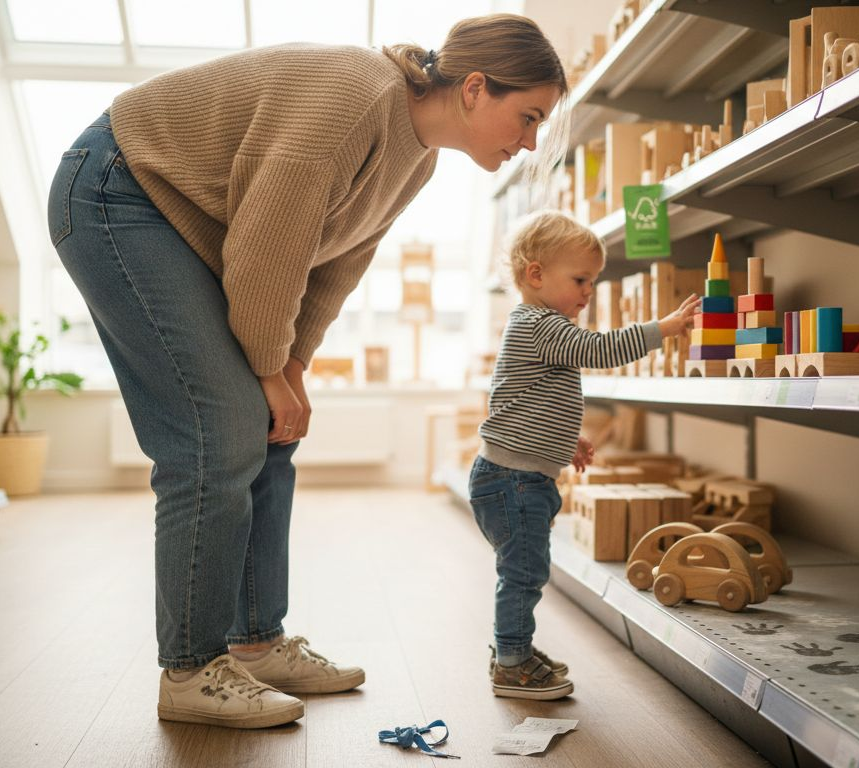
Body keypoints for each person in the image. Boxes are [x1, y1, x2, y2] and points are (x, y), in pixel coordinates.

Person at [47, 15, 567, 729]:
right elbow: (268, 248)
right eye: (529, 116)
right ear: (476, 88)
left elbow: (332, 268)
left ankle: (255, 643)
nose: (531, 140)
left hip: (182, 216)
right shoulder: (356, 100)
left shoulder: (417, 157)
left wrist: (290, 368)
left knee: (269, 424)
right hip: (119, 189)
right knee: (218, 428)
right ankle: (192, 670)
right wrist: (265, 369)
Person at [471, 211, 698, 699]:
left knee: (522, 570)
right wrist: (665, 328)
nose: (587, 292)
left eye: (591, 282)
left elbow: (525, 401)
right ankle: (511, 661)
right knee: (523, 573)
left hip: (516, 475)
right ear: (535, 275)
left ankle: (514, 648)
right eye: (579, 280)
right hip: (513, 481)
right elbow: (600, 350)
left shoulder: (538, 325)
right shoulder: (540, 324)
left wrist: (564, 440)